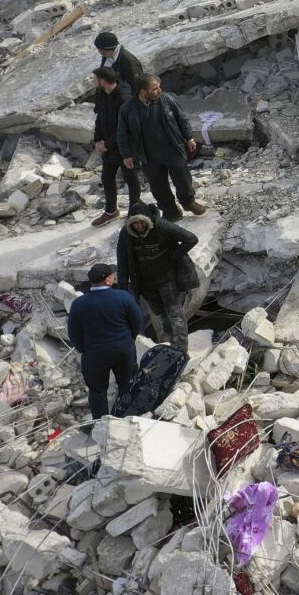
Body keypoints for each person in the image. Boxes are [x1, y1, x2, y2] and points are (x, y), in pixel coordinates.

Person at [117, 73, 204, 220]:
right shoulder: (127, 109)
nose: (159, 91)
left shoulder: (167, 100)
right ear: (143, 92)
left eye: (159, 87)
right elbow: (122, 134)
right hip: (148, 155)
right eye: (155, 89)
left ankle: (189, 202)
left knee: (183, 179)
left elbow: (182, 119)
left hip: (172, 148)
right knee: (158, 186)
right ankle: (171, 211)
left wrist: (189, 137)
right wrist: (126, 155)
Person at [67, 263, 143, 417]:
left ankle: (101, 424)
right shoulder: (123, 296)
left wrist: (85, 349)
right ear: (108, 280)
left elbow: (73, 333)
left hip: (94, 354)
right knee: (127, 385)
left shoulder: (79, 304)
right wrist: (129, 340)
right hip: (123, 349)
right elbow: (138, 321)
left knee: (97, 391)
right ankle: (127, 418)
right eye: (112, 275)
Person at [115, 210, 199, 348]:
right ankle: (173, 343)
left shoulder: (161, 226)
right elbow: (122, 260)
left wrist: (174, 255)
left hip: (167, 280)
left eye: (141, 222)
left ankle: (182, 348)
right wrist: (123, 289)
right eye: (135, 223)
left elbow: (191, 239)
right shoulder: (127, 234)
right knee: (162, 316)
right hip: (146, 285)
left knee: (175, 314)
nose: (139, 226)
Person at [90, 67, 139, 226]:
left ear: (103, 81)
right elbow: (99, 117)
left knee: (130, 179)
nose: (94, 82)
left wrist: (107, 144)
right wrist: (97, 140)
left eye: (96, 79)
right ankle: (111, 211)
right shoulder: (102, 94)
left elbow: (125, 127)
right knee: (107, 178)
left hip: (124, 148)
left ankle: (134, 213)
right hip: (108, 149)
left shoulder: (124, 98)